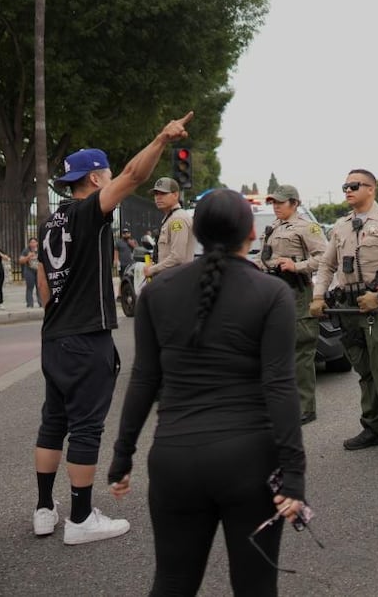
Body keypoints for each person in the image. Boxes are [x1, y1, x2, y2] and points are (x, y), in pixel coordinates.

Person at [107, 188, 307, 595]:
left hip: (174, 459)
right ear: (252, 232)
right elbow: (280, 386)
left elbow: (145, 377)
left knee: (173, 581)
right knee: (255, 585)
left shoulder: (158, 293)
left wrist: (122, 456)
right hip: (249, 460)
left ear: (196, 231)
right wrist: (294, 475)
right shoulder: (272, 294)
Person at [32, 111, 193, 545]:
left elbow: (45, 287)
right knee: (86, 426)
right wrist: (160, 137)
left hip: (55, 335)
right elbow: (133, 175)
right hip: (87, 337)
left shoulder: (51, 222)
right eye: (106, 176)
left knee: (53, 422)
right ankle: (81, 518)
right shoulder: (90, 211)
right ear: (96, 178)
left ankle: (45, 509)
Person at [310, 169, 378, 463]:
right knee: (365, 371)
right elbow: (326, 265)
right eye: (345, 185)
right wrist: (318, 295)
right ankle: (372, 427)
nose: (347, 190)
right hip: (348, 308)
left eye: (354, 186)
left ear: (372, 189)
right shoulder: (340, 227)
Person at [262, 184, 327, 425]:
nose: (276, 206)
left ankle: (305, 407)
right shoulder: (274, 228)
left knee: (302, 351)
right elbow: (265, 258)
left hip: (298, 293)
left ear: (294, 203)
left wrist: (296, 266)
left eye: (280, 202)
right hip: (276, 294)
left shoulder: (306, 227)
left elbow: (324, 257)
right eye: (273, 202)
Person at [143, 177, 196, 279]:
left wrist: (152, 270)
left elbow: (177, 257)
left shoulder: (177, 220)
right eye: (156, 194)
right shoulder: (170, 218)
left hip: (176, 282)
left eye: (163, 194)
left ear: (175, 195)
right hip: (171, 280)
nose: (158, 197)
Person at [19, 237, 40, 308]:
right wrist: (28, 256)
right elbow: (21, 260)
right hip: (29, 270)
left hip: (39, 270)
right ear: (29, 244)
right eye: (31, 242)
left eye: (34, 242)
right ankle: (30, 303)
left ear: (37, 243)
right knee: (30, 287)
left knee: (39, 286)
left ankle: (41, 302)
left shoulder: (40, 250)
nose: (33, 244)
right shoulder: (26, 250)